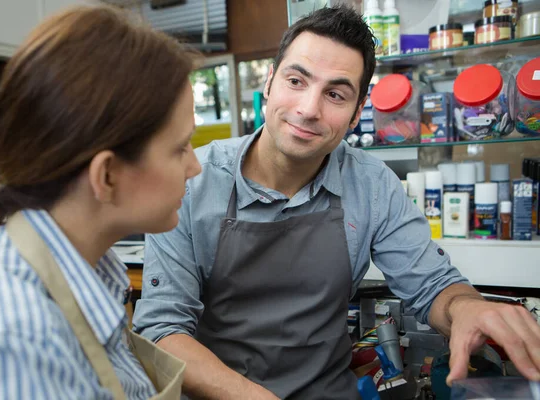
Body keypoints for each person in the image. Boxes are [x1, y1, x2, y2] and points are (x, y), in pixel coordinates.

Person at [134, 5, 540, 399]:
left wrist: (464, 306)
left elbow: (433, 286)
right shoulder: (194, 179)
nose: (308, 109)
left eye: (335, 94)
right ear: (269, 81)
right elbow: (163, 329)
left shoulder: (372, 184)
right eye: (296, 81)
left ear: (357, 112)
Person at [0, 5, 201, 399]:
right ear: (107, 175)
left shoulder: (90, 271)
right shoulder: (13, 348)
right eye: (180, 148)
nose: (195, 167)